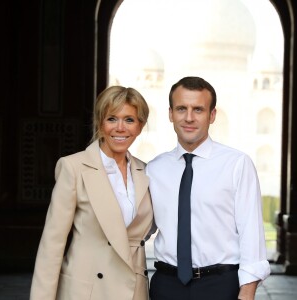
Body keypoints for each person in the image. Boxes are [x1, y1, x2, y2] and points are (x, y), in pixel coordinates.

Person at [146, 76, 270, 300]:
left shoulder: (237, 164)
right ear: (170, 114)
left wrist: (247, 291)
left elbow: (251, 235)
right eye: (181, 108)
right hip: (166, 286)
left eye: (198, 109)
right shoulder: (154, 169)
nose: (189, 117)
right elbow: (140, 229)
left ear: (212, 115)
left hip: (221, 286)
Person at [30, 86, 153, 300]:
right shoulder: (74, 167)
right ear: (100, 122)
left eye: (129, 120)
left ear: (140, 126)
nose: (120, 128)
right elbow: (52, 243)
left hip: (133, 291)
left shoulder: (146, 172)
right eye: (112, 119)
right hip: (86, 291)